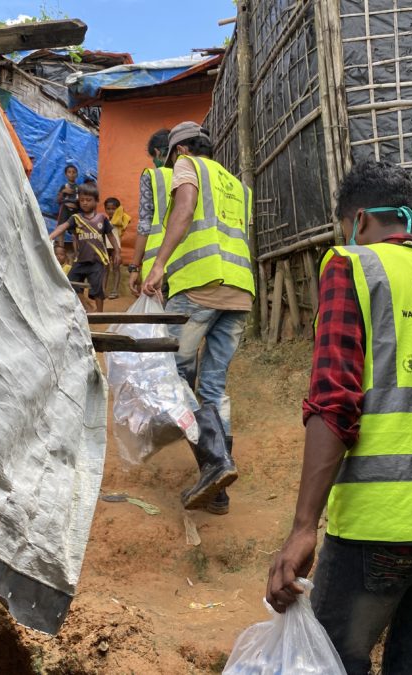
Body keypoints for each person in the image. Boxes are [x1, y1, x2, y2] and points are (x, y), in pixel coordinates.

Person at [265, 161, 412, 675]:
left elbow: (334, 400)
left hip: (386, 520)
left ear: (360, 220)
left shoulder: (352, 267)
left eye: (344, 227)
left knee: (330, 663)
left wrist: (305, 526)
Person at [141, 121, 254, 514]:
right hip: (240, 293)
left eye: (172, 160)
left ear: (181, 151)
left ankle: (214, 463)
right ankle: (219, 489)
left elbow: (185, 208)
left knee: (172, 376)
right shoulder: (237, 185)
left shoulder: (189, 166)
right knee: (213, 385)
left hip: (199, 288)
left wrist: (158, 267)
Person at [49, 183, 120, 313]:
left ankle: (100, 314)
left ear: (96, 201)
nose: (85, 203)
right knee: (70, 282)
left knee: (97, 289)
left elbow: (111, 236)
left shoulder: (102, 218)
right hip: (80, 260)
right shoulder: (76, 218)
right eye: (82, 200)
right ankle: (88, 306)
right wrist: (50, 237)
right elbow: (62, 226)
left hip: (98, 261)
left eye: (88, 200)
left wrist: (117, 252)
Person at [129, 129, 173, 298]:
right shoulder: (197, 174)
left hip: (158, 263)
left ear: (157, 152)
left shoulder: (153, 177)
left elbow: (145, 224)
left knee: (159, 321)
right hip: (190, 266)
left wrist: (134, 267)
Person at [103, 197, 131, 299]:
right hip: (105, 246)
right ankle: (102, 290)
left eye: (113, 209)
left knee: (116, 268)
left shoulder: (119, 220)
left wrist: (119, 212)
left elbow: (127, 219)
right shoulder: (104, 220)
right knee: (105, 269)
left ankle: (115, 290)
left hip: (116, 248)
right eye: (108, 209)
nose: (110, 211)